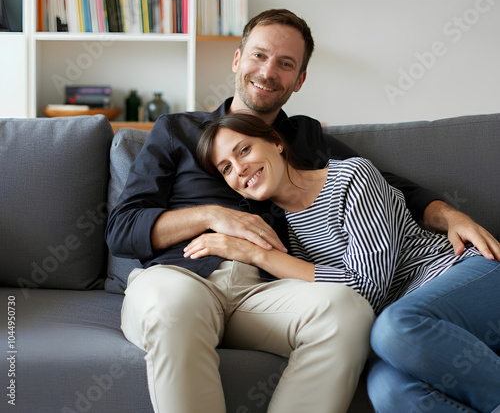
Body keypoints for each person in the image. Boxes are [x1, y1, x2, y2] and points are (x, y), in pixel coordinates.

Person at [105, 8, 500, 413]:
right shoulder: (176, 130)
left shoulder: (307, 140)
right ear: (238, 58)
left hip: (268, 290)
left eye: (285, 63)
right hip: (183, 277)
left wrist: (450, 215)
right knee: (177, 308)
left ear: (299, 80)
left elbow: (388, 187)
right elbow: (122, 230)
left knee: (348, 313)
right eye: (259, 55)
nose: (268, 71)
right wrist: (213, 216)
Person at [194, 111, 500, 413]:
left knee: (392, 328)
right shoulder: (287, 235)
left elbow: (367, 290)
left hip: (465, 274)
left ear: (276, 143)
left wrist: (259, 255)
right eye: (226, 168)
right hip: (405, 327)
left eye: (244, 150)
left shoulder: (353, 177)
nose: (240, 169)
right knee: (387, 390)